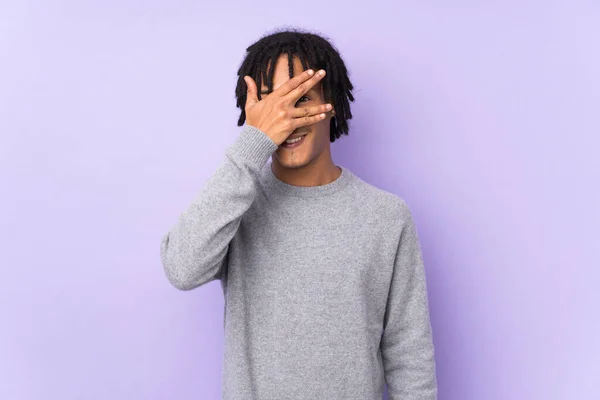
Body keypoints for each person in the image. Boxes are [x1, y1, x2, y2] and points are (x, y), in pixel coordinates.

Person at [160, 28, 437, 400]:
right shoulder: (235, 203)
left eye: (301, 98)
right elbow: (181, 268)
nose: (287, 120)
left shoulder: (386, 216)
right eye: (273, 105)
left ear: (332, 103)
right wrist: (252, 144)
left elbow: (410, 356)